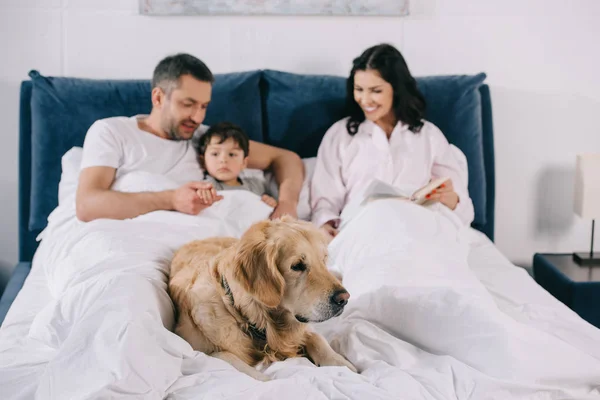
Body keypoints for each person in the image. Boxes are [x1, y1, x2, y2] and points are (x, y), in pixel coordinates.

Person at [76, 53, 302, 222]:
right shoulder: (112, 132)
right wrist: (172, 199)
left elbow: (287, 159)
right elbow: (87, 205)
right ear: (158, 98)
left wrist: (287, 204)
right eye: (188, 104)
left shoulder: (206, 139)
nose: (197, 116)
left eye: (204, 106)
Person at [310, 43, 475, 240]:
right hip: (360, 232)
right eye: (359, 89)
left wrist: (451, 199)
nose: (365, 99)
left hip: (416, 231)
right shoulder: (341, 135)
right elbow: (324, 201)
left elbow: (465, 212)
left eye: (375, 91)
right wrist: (326, 225)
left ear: (396, 89)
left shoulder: (428, 135)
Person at [193, 121, 278, 207]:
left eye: (232, 154)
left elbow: (268, 208)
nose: (223, 160)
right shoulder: (207, 187)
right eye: (215, 154)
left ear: (244, 163)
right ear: (203, 162)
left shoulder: (256, 185)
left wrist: (270, 202)